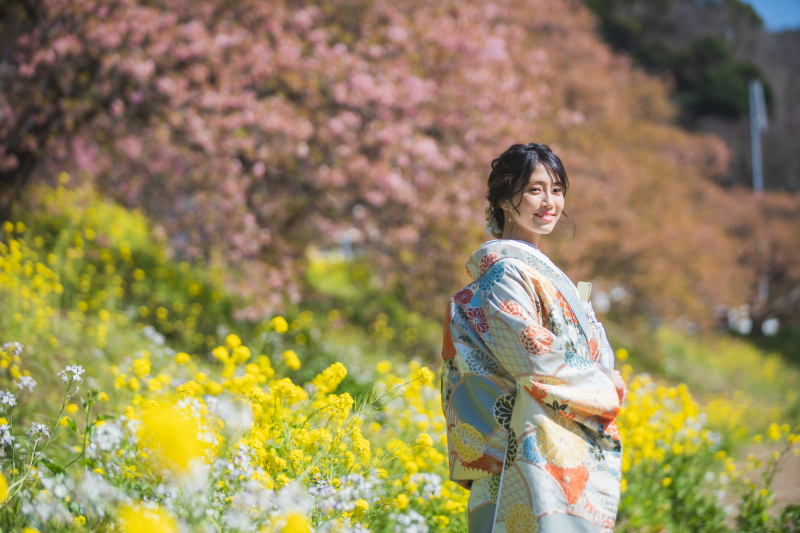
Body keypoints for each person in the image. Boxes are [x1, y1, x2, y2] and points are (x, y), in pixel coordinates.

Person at [440, 143, 628, 533]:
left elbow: (589, 345)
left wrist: (605, 369)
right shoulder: (505, 272)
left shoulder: (539, 271)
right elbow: (533, 356)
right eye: (534, 189)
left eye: (557, 190)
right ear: (504, 199)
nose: (549, 202)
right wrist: (602, 383)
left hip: (547, 445)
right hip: (520, 455)